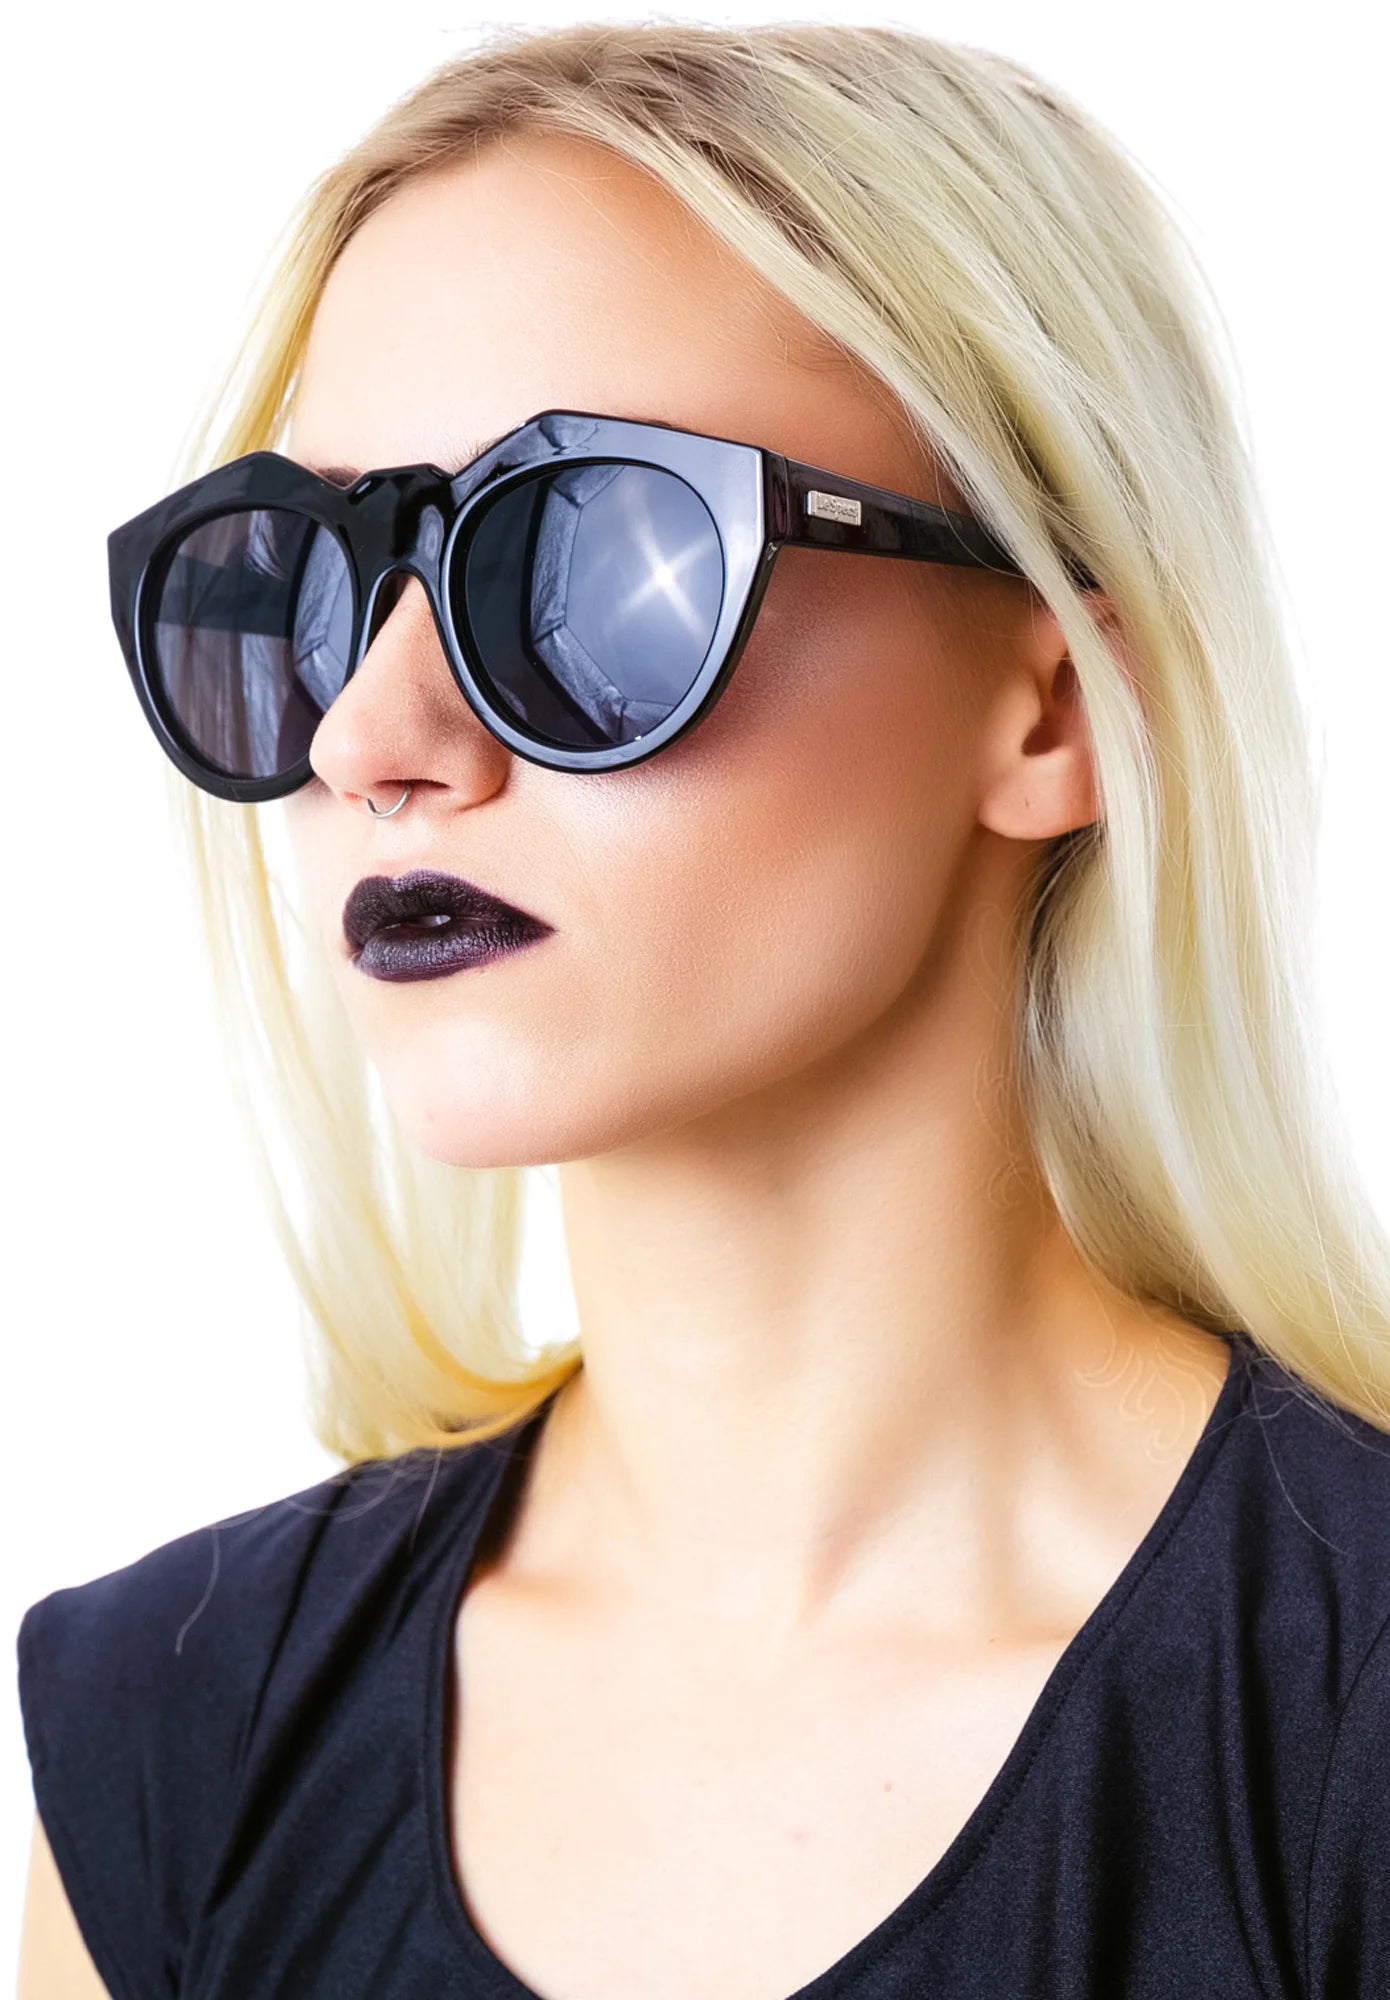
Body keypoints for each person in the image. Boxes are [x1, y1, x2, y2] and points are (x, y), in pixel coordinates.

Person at [16, 19, 1390, 1999]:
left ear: (1053, 710)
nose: (370, 737)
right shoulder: (179, 1736)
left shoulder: (1341, 1733)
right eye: (311, 581)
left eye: (590, 561)